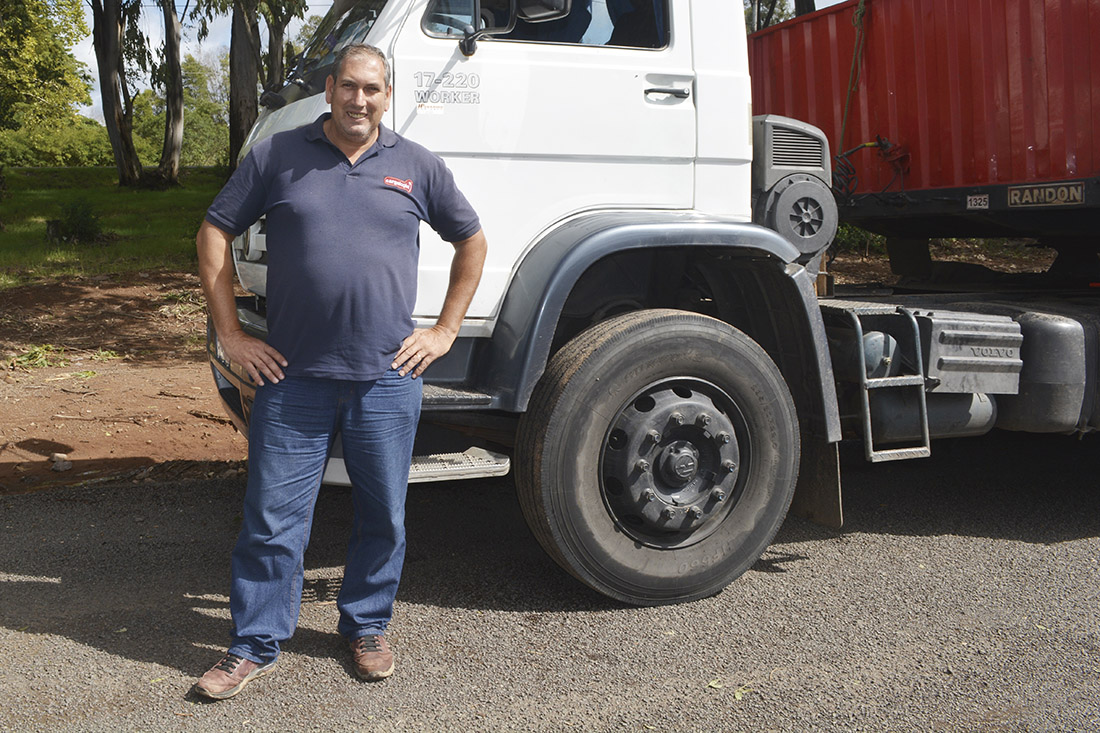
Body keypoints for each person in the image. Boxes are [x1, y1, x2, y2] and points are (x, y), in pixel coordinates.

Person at [192, 43, 486, 700]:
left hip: (386, 378)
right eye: (349, 87)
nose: (360, 100)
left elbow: (472, 240)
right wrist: (233, 334)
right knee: (272, 517)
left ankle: (367, 624)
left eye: (373, 90)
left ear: (388, 95)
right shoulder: (278, 156)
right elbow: (214, 231)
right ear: (330, 90)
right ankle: (254, 642)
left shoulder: (416, 165)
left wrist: (442, 332)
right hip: (291, 377)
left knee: (383, 512)